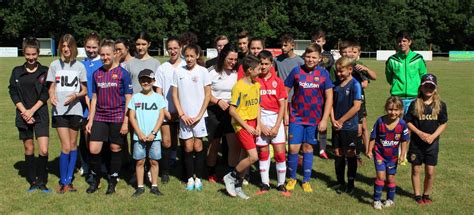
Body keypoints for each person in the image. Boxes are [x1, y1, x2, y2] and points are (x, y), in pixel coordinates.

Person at [85, 40, 133, 195]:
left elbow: (128, 99)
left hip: (118, 116)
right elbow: (94, 98)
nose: (105, 57)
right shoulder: (96, 74)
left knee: (115, 148)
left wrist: (126, 120)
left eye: (108, 54)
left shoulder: (123, 74)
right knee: (93, 149)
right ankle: (96, 179)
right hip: (99, 116)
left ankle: (113, 179)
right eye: (102, 54)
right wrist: (91, 120)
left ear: (114, 54)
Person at [284, 44, 333, 193]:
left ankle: (306, 180)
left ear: (319, 59)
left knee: (308, 148)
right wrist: (286, 114)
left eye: (314, 57)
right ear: (304, 56)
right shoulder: (296, 71)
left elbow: (329, 97)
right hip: (296, 117)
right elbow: (284, 93)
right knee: (293, 148)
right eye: (308, 56)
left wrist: (325, 119)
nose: (310, 60)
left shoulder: (324, 74)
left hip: (314, 119)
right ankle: (292, 178)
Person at [47, 34, 88, 193]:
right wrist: (51, 95)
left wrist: (76, 96)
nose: (66, 49)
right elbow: (51, 87)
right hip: (59, 110)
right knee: (65, 146)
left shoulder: (79, 67)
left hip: (75, 110)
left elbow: (84, 90)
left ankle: (69, 181)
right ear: (60, 48)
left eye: (69, 46)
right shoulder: (54, 65)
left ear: (73, 48)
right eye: (63, 46)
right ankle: (63, 181)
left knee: (72, 145)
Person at [9, 37, 50, 192]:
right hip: (23, 115)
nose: (31, 58)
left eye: (34, 54)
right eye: (28, 54)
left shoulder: (45, 71)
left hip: (40, 114)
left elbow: (46, 93)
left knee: (44, 150)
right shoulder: (17, 71)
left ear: (38, 53)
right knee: (29, 148)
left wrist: (32, 110)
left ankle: (42, 181)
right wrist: (24, 111)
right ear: (24, 53)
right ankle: (33, 181)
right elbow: (13, 92)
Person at [172, 44, 211, 191]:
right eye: (186, 56)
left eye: (191, 56)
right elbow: (174, 95)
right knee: (187, 147)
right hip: (184, 117)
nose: (189, 59)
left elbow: (208, 94)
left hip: (199, 116)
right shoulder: (178, 72)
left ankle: (198, 178)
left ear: (197, 56)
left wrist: (200, 114)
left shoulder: (203, 71)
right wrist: (182, 114)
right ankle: (189, 178)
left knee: (198, 146)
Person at [405, 74, 447, 205]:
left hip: (432, 144)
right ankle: (417, 195)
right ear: (421, 88)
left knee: (430, 171)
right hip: (417, 143)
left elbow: (443, 123)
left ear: (435, 88)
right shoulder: (414, 104)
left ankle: (426, 195)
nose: (428, 88)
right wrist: (419, 132)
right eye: (426, 86)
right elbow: (408, 122)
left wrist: (433, 136)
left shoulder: (440, 105)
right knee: (416, 170)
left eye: (431, 86)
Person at [223, 55, 261, 199]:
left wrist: (258, 124)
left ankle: (238, 187)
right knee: (253, 157)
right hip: (241, 125)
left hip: (252, 124)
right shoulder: (239, 87)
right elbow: (232, 110)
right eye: (258, 68)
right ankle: (231, 177)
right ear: (250, 70)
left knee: (245, 156)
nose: (261, 69)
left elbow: (258, 106)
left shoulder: (257, 85)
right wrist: (246, 126)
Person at [255, 50, 289, 196]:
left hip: (276, 120)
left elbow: (282, 105)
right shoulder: (254, 81)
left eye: (266, 64)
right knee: (263, 153)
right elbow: (254, 105)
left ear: (271, 64)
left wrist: (276, 126)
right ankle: (265, 184)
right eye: (261, 63)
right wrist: (261, 125)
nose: (263, 66)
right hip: (260, 120)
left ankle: (281, 184)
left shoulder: (278, 81)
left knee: (280, 154)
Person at [366, 96, 409, 209]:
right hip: (380, 154)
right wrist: (370, 150)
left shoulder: (402, 124)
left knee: (390, 179)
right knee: (380, 177)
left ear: (401, 111)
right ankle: (376, 201)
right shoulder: (380, 121)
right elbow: (373, 137)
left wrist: (403, 155)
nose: (393, 112)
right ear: (386, 109)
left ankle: (390, 200)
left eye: (396, 110)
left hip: (393, 157)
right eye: (390, 109)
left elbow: (404, 141)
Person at [129, 69, 166, 197]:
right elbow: (131, 116)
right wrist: (139, 133)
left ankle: (154, 186)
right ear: (139, 82)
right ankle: (140, 187)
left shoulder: (158, 97)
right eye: (143, 80)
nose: (146, 83)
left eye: (148, 80)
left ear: (153, 81)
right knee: (140, 161)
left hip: (154, 136)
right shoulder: (136, 97)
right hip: (139, 136)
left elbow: (161, 117)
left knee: (154, 161)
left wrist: (154, 133)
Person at [205, 44, 239, 183]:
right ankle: (211, 172)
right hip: (214, 110)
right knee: (214, 144)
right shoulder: (211, 71)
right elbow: (204, 93)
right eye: (230, 59)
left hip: (231, 111)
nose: (233, 62)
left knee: (233, 144)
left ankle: (231, 174)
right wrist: (217, 101)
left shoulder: (237, 72)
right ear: (223, 57)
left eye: (235, 59)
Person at [154, 37, 186, 183]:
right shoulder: (162, 68)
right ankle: (165, 171)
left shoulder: (187, 65)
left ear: (181, 48)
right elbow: (158, 91)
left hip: (184, 112)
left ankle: (185, 171)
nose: (173, 51)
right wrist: (164, 110)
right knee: (166, 141)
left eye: (175, 48)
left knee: (183, 141)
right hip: (166, 110)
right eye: (170, 48)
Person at [330, 56, 361, 195]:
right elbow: (329, 103)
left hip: (349, 127)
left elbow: (356, 106)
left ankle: (351, 183)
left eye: (341, 71)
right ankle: (340, 182)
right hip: (336, 126)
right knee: (338, 153)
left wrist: (341, 121)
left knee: (350, 154)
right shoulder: (335, 85)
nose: (338, 74)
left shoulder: (355, 84)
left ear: (350, 69)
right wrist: (332, 119)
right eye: (337, 71)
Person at [385, 30, 427, 114]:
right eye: (399, 41)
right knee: (398, 125)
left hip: (415, 98)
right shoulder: (392, 60)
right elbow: (389, 78)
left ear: (410, 42)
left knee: (413, 125)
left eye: (404, 41)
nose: (402, 43)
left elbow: (424, 77)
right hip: (397, 98)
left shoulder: (418, 59)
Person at [79, 32, 103, 179]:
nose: (91, 50)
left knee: (101, 138)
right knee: (86, 137)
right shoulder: (80, 64)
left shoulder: (104, 62)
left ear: (99, 47)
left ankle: (102, 165)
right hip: (85, 107)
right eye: (88, 47)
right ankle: (86, 164)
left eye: (94, 47)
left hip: (102, 107)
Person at [311, 30, 335, 159]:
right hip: (311, 92)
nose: (317, 43)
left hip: (324, 91)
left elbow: (328, 70)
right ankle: (312, 144)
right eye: (315, 41)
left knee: (323, 120)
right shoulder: (308, 55)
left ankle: (322, 148)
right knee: (311, 120)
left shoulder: (328, 57)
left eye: (319, 41)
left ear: (324, 42)